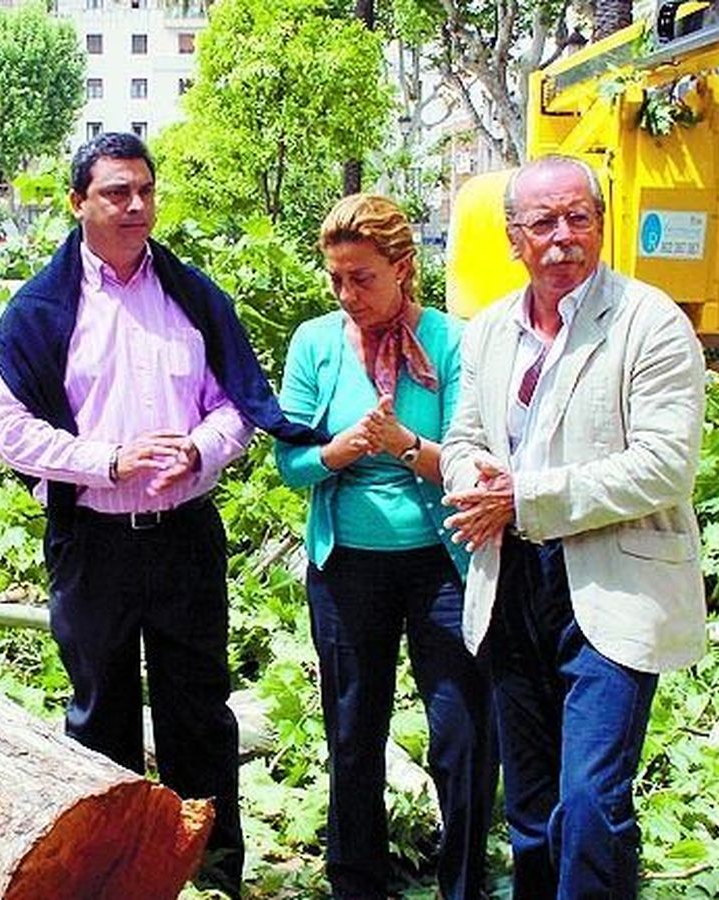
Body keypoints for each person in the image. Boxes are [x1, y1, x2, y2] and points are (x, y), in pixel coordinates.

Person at [0, 132, 324, 897]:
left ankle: (210, 879)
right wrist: (108, 460)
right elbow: (8, 430)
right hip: (93, 542)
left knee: (199, 717)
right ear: (78, 204)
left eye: (144, 191)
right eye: (115, 193)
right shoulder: (42, 310)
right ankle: (111, 881)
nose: (135, 207)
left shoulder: (192, 297)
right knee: (99, 719)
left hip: (183, 540)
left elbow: (236, 405)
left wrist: (199, 452)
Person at [438, 155, 707, 899]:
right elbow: (462, 441)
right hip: (512, 581)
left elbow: (663, 466)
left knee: (590, 800)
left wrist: (523, 497)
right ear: (513, 237)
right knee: (530, 806)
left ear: (601, 223)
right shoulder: (489, 331)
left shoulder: (649, 322)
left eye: (579, 219)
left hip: (610, 584)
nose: (564, 238)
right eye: (544, 223)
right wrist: (477, 483)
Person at [273, 193, 494, 900]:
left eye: (362, 278)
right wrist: (338, 452)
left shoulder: (453, 342)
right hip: (347, 568)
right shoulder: (315, 344)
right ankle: (356, 883)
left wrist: (405, 447)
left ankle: (464, 881)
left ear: (402, 268)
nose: (347, 294)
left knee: (461, 735)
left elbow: (472, 457)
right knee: (352, 730)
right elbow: (290, 461)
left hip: (443, 562)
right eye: (336, 279)